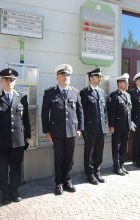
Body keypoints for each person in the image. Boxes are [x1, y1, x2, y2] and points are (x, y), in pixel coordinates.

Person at [0, 68, 31, 204]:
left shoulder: (22, 97)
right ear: (1, 81)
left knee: (16, 168)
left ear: (15, 81)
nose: (9, 82)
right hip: (0, 141)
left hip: (18, 140)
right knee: (1, 169)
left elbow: (26, 119)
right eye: (6, 79)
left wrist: (28, 135)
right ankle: (5, 193)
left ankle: (14, 191)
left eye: (12, 80)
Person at [41, 64, 83, 195]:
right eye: (63, 74)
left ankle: (67, 181)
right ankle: (58, 183)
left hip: (72, 131)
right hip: (56, 132)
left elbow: (80, 112)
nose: (66, 77)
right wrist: (47, 131)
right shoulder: (49, 92)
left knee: (69, 158)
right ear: (57, 77)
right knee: (58, 158)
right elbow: (44, 113)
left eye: (68, 75)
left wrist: (80, 129)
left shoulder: (75, 92)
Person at [80, 68, 108, 184]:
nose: (100, 78)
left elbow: (105, 111)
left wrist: (105, 125)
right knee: (89, 153)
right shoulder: (84, 92)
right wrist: (83, 129)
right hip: (90, 129)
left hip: (101, 129)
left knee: (99, 152)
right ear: (91, 78)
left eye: (100, 77)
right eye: (98, 77)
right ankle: (90, 174)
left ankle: (97, 172)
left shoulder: (102, 93)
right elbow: (81, 112)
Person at [107, 73, 131, 175]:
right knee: (116, 146)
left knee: (124, 146)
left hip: (126, 126)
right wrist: (111, 125)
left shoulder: (128, 95)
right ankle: (116, 167)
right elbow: (110, 112)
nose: (128, 84)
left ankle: (121, 165)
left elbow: (129, 110)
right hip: (117, 127)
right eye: (126, 82)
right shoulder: (114, 95)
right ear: (120, 84)